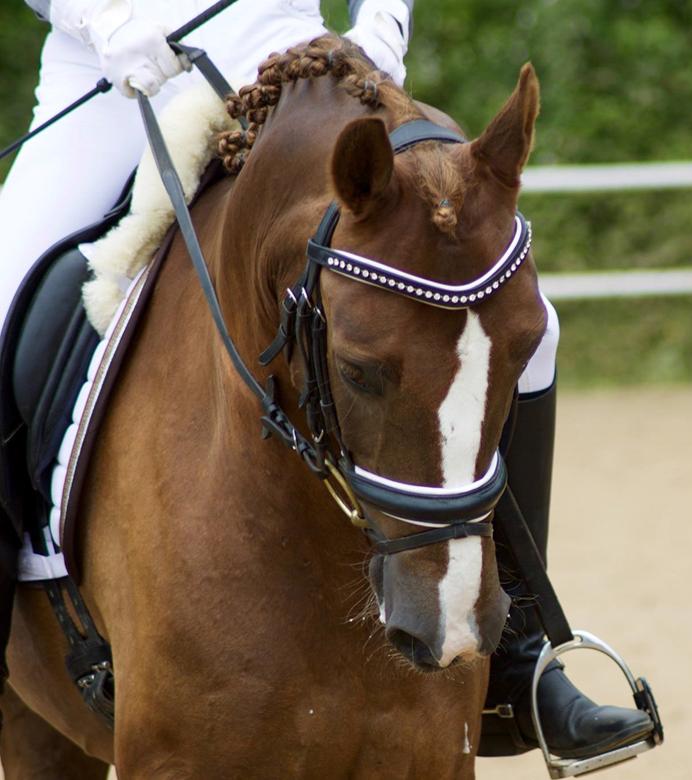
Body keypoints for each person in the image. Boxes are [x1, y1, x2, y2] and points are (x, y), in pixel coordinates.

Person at [0, 0, 652, 761]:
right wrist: (103, 14)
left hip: (302, 60)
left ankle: (522, 651)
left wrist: (386, 17)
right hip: (119, 77)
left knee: (524, 318)